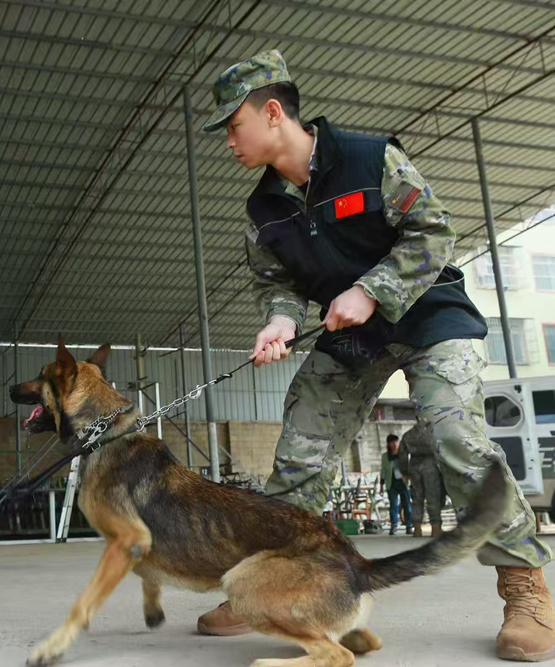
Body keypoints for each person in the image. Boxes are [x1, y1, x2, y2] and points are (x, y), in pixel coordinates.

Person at [193, 50, 555, 661]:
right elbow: (275, 284)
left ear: (273, 112)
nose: (229, 141)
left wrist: (371, 290)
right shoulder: (262, 211)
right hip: (351, 336)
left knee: (456, 440)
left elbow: (435, 233)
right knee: (300, 453)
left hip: (430, 317)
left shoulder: (370, 159)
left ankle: (525, 587)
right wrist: (280, 322)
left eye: (233, 125)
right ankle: (271, 585)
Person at [399, 421, 447, 538]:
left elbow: (402, 454)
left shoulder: (408, 435)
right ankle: (435, 529)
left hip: (414, 466)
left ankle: (417, 529)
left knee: (417, 497)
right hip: (431, 465)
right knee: (433, 496)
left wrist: (405, 471)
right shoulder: (434, 433)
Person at [379, 434, 413, 536]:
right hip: (392, 484)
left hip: (404, 483)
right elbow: (384, 470)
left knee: (407, 505)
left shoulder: (403, 454)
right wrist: (381, 485)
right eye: (392, 442)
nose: (395, 444)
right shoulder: (385, 457)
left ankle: (409, 526)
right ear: (389, 444)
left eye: (396, 442)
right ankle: (394, 526)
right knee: (393, 505)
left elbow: (410, 467)